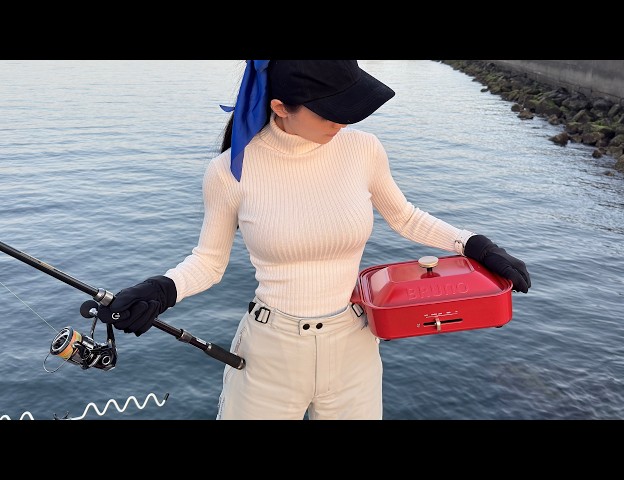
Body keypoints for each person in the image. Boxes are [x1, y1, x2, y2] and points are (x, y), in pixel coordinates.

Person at [96, 60, 531, 420]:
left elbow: (405, 217)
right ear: (280, 107)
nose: (344, 120)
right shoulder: (229, 171)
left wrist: (475, 245)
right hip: (270, 352)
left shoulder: (363, 149)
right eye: (329, 111)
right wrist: (162, 289)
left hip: (354, 345)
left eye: (349, 106)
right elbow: (209, 262)